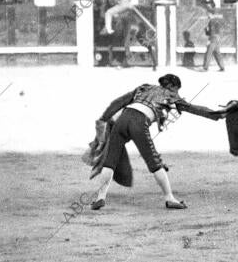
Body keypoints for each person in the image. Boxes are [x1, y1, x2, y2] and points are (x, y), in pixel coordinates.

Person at [87, 74, 222, 210]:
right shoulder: (172, 95)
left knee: (110, 161)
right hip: (139, 122)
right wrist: (217, 114)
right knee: (153, 161)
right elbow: (194, 109)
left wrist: (104, 119)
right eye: (177, 89)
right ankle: (169, 198)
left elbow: (118, 103)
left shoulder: (144, 87)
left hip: (122, 119)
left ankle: (100, 197)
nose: (177, 93)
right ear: (171, 86)